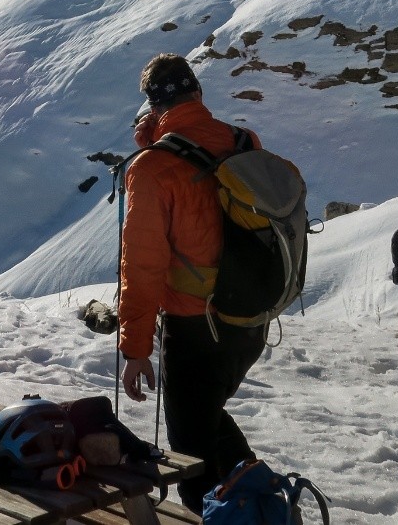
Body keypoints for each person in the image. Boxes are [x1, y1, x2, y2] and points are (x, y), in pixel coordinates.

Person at [118, 52, 265, 509]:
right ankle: (266, 501)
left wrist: (136, 347)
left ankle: (243, 510)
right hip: (251, 318)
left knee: (192, 460)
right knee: (208, 422)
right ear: (197, 92)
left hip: (195, 328)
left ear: (153, 105)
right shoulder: (243, 141)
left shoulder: (152, 169)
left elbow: (142, 266)